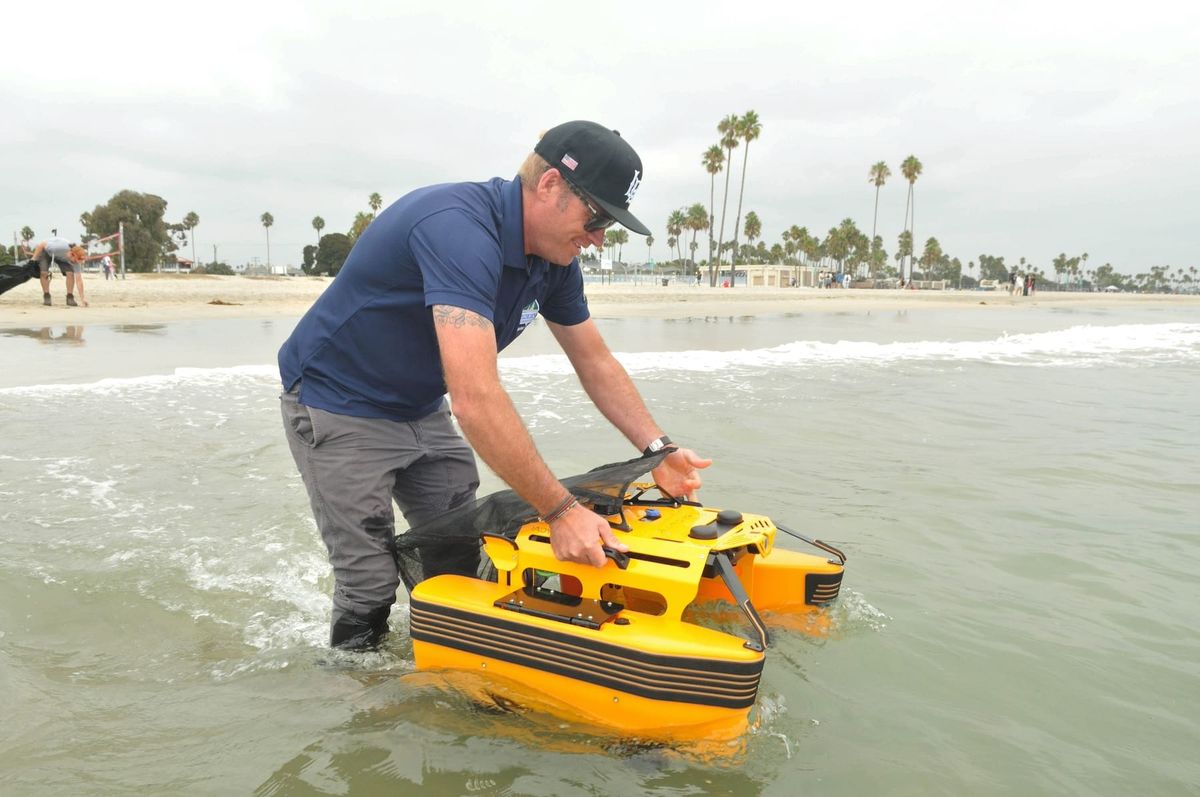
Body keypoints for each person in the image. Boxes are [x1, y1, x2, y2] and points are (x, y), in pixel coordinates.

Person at [278, 120, 712, 650]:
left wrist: (657, 449)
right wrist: (561, 512)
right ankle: (353, 701)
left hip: (418, 403)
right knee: (368, 582)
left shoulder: (555, 261)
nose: (598, 238)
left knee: (460, 551)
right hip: (336, 402)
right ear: (550, 184)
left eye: (609, 227)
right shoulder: (459, 230)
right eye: (596, 217)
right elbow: (476, 400)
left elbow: (595, 362)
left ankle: (449, 667)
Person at [30, 230, 88, 306]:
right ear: (72, 254)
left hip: (61, 258)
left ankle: (70, 297)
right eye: (76, 261)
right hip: (47, 252)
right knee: (45, 273)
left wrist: (82, 299)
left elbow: (79, 280)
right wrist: (33, 259)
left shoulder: (76, 259)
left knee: (70, 273)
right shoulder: (57, 248)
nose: (76, 263)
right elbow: (41, 245)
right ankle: (47, 295)